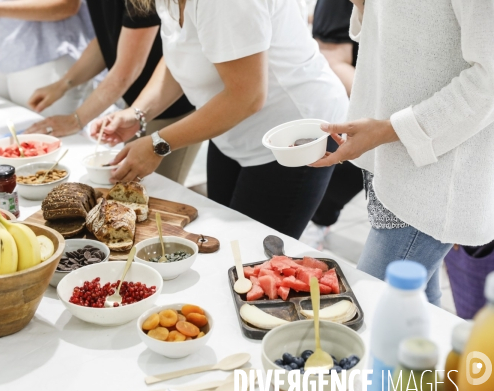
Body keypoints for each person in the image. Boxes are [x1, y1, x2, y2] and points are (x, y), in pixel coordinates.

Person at [94, 0, 348, 239]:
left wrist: (158, 144)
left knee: (253, 257)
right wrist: (139, 112)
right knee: (223, 240)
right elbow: (180, 52)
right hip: (233, 126)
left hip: (290, 133)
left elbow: (247, 97)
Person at [311, 0, 494, 306]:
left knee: (368, 310)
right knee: (416, 311)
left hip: (436, 171)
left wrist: (387, 129)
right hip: (392, 153)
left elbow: (489, 80)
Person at [23, 0, 198, 185]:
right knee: (126, 184)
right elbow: (108, 37)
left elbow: (127, 70)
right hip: (138, 105)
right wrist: (63, 84)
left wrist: (76, 119)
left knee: (159, 191)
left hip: (171, 107)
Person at [299, 0, 364, 250]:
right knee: (344, 173)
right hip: (352, 106)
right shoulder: (338, 5)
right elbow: (333, 59)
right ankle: (314, 223)